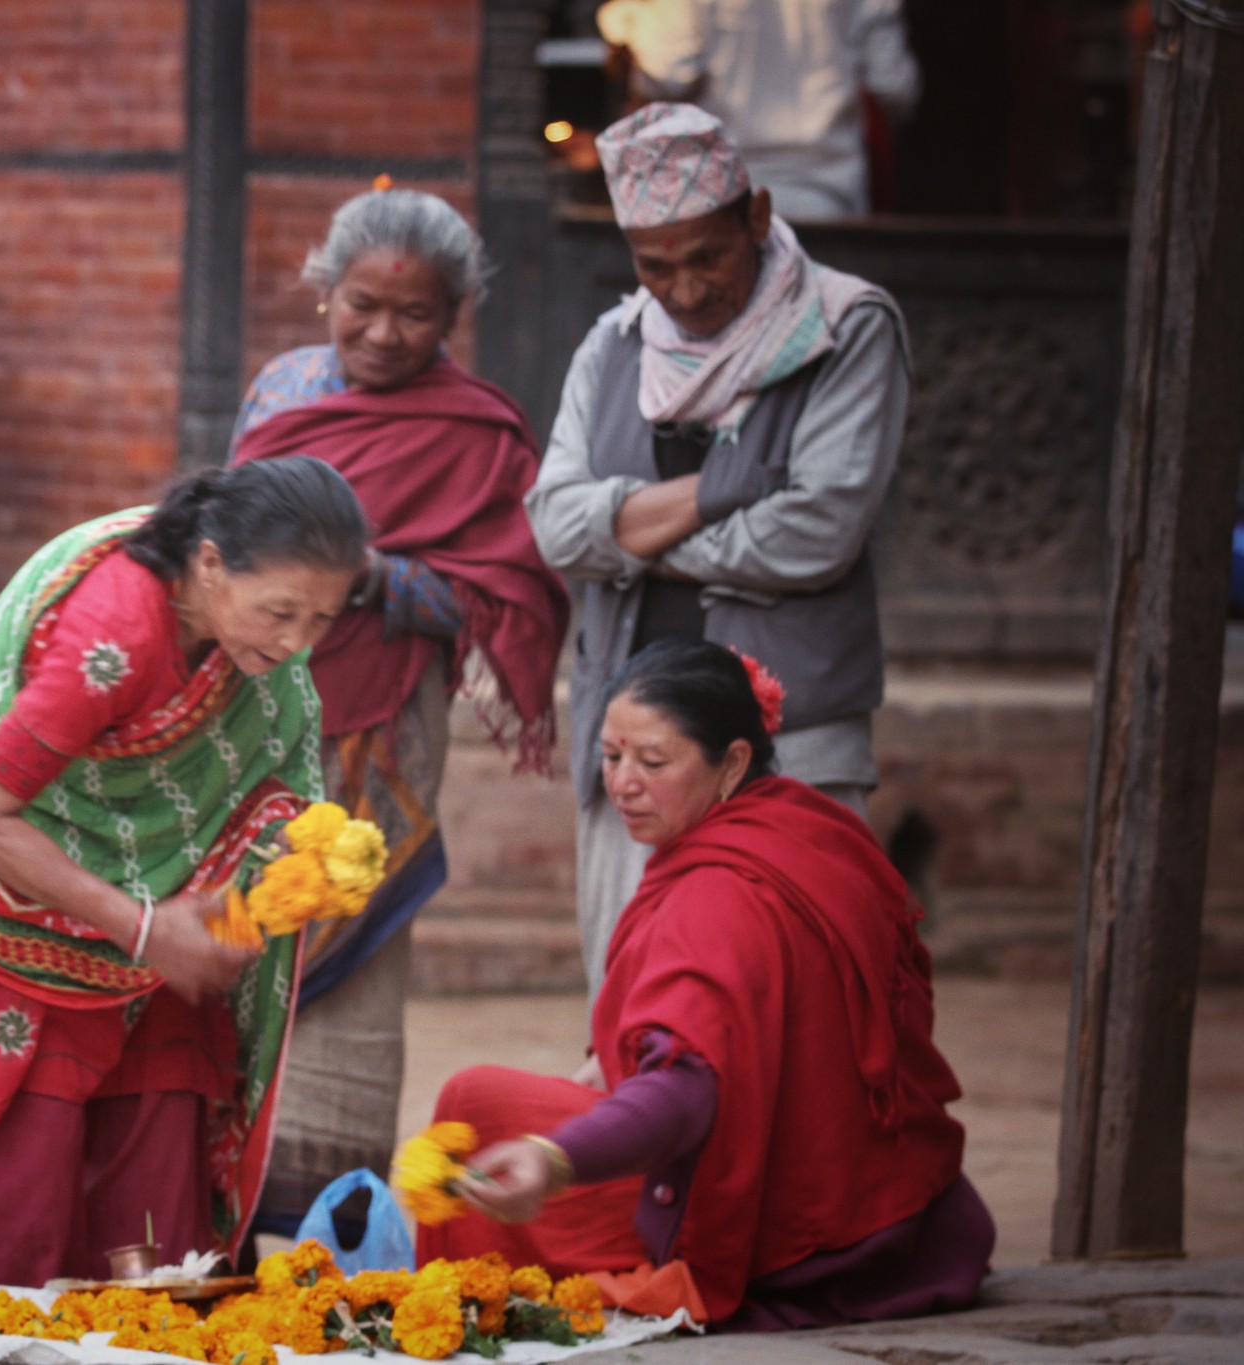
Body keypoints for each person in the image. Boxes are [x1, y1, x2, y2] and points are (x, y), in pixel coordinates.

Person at [0, 458, 367, 1285]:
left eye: (320, 621)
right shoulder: (115, 634)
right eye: (280, 612)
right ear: (209, 562)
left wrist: (288, 871)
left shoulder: (239, 640)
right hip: (3, 920)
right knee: (14, 1260)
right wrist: (143, 926)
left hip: (155, 948)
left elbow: (264, 783)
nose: (293, 645)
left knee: (159, 1254)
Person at [419, 639, 994, 1330]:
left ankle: (462, 1317)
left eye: (653, 762)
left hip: (774, 1228)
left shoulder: (717, 896)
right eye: (610, 755)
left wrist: (555, 1159)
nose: (621, 783)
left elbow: (688, 1090)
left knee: (474, 1108)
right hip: (897, 1207)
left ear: (733, 762)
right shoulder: (813, 826)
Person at [229, 187, 573, 1234]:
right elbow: (223, 535)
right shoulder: (280, 390)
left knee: (353, 936)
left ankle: (315, 1230)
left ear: (453, 315)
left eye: (413, 315)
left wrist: (371, 577)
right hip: (250, 714)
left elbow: (504, 589)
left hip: (385, 723)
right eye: (361, 306)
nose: (383, 333)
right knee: (235, 940)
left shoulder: (476, 431)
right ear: (324, 293)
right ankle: (207, 1218)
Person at [526, 103, 909, 997]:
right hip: (636, 745)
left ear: (758, 217)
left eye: (709, 256)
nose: (688, 289)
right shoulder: (615, 342)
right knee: (636, 1009)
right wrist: (721, 490)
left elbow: (818, 532)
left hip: (795, 737)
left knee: (789, 1002)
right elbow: (553, 526)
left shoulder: (849, 329)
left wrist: (629, 538)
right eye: (657, 265)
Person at [595, 0, 920, 220]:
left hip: (716, 197)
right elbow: (893, 85)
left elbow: (668, 73)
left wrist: (626, 23)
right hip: (829, 192)